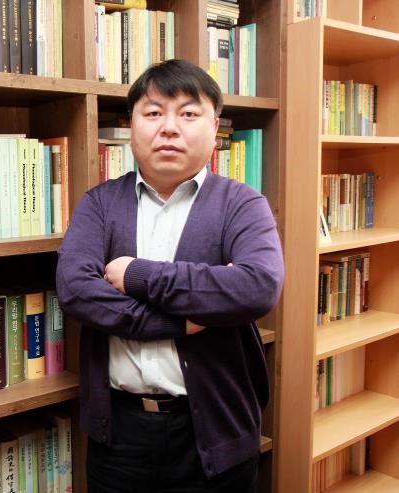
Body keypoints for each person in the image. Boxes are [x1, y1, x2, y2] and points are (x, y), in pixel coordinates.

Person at [55, 59, 284, 492]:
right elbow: (75, 290)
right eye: (154, 112)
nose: (169, 128)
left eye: (189, 113)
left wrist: (137, 275)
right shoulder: (99, 203)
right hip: (119, 435)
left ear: (214, 127)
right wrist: (178, 322)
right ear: (132, 125)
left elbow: (257, 287)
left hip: (217, 430)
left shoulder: (242, 204)